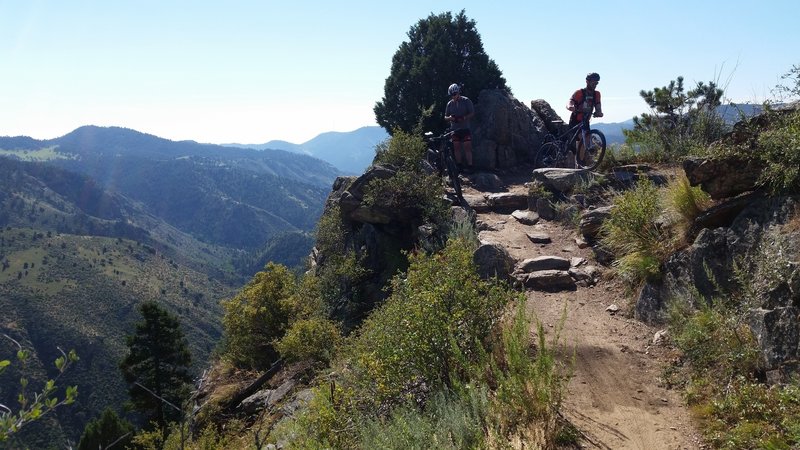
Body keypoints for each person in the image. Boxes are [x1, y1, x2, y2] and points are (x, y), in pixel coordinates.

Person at [567, 72, 604, 162]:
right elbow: (570, 101)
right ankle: (578, 162)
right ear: (587, 81)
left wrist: (599, 113)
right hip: (575, 120)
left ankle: (579, 163)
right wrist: (571, 107)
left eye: (597, 83)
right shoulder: (579, 93)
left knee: (584, 142)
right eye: (593, 82)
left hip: (585, 121)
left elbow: (598, 106)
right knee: (581, 140)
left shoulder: (596, 94)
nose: (595, 85)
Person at [444, 83, 475, 172]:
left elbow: (472, 112)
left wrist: (464, 117)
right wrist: (450, 118)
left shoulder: (466, 100)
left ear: (458, 92)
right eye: (451, 95)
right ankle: (459, 166)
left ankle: (470, 166)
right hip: (454, 129)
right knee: (456, 147)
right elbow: (445, 117)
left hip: (465, 128)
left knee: (467, 147)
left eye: (454, 94)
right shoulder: (449, 104)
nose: (453, 96)